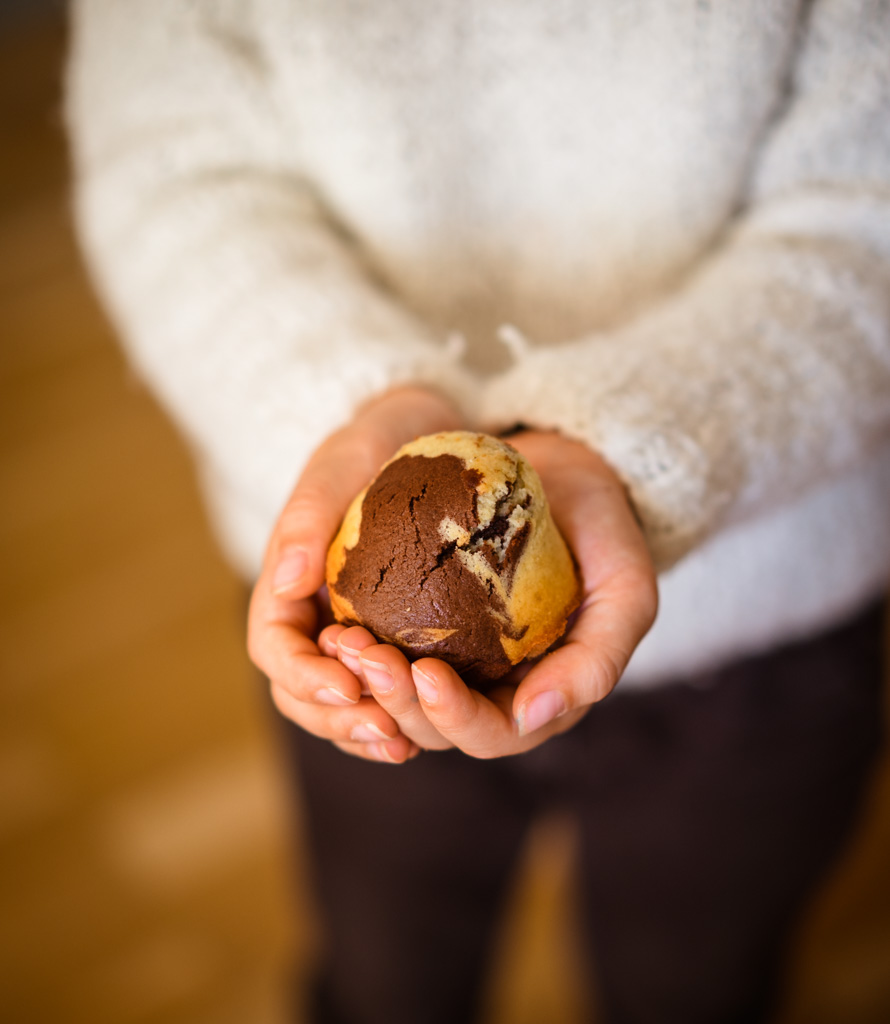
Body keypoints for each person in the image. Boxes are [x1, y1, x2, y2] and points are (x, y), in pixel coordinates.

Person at [66, 1, 890, 1021]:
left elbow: (866, 215)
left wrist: (635, 439)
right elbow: (175, 178)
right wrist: (357, 403)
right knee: (385, 974)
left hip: (773, 618)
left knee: (695, 985)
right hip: (354, 648)